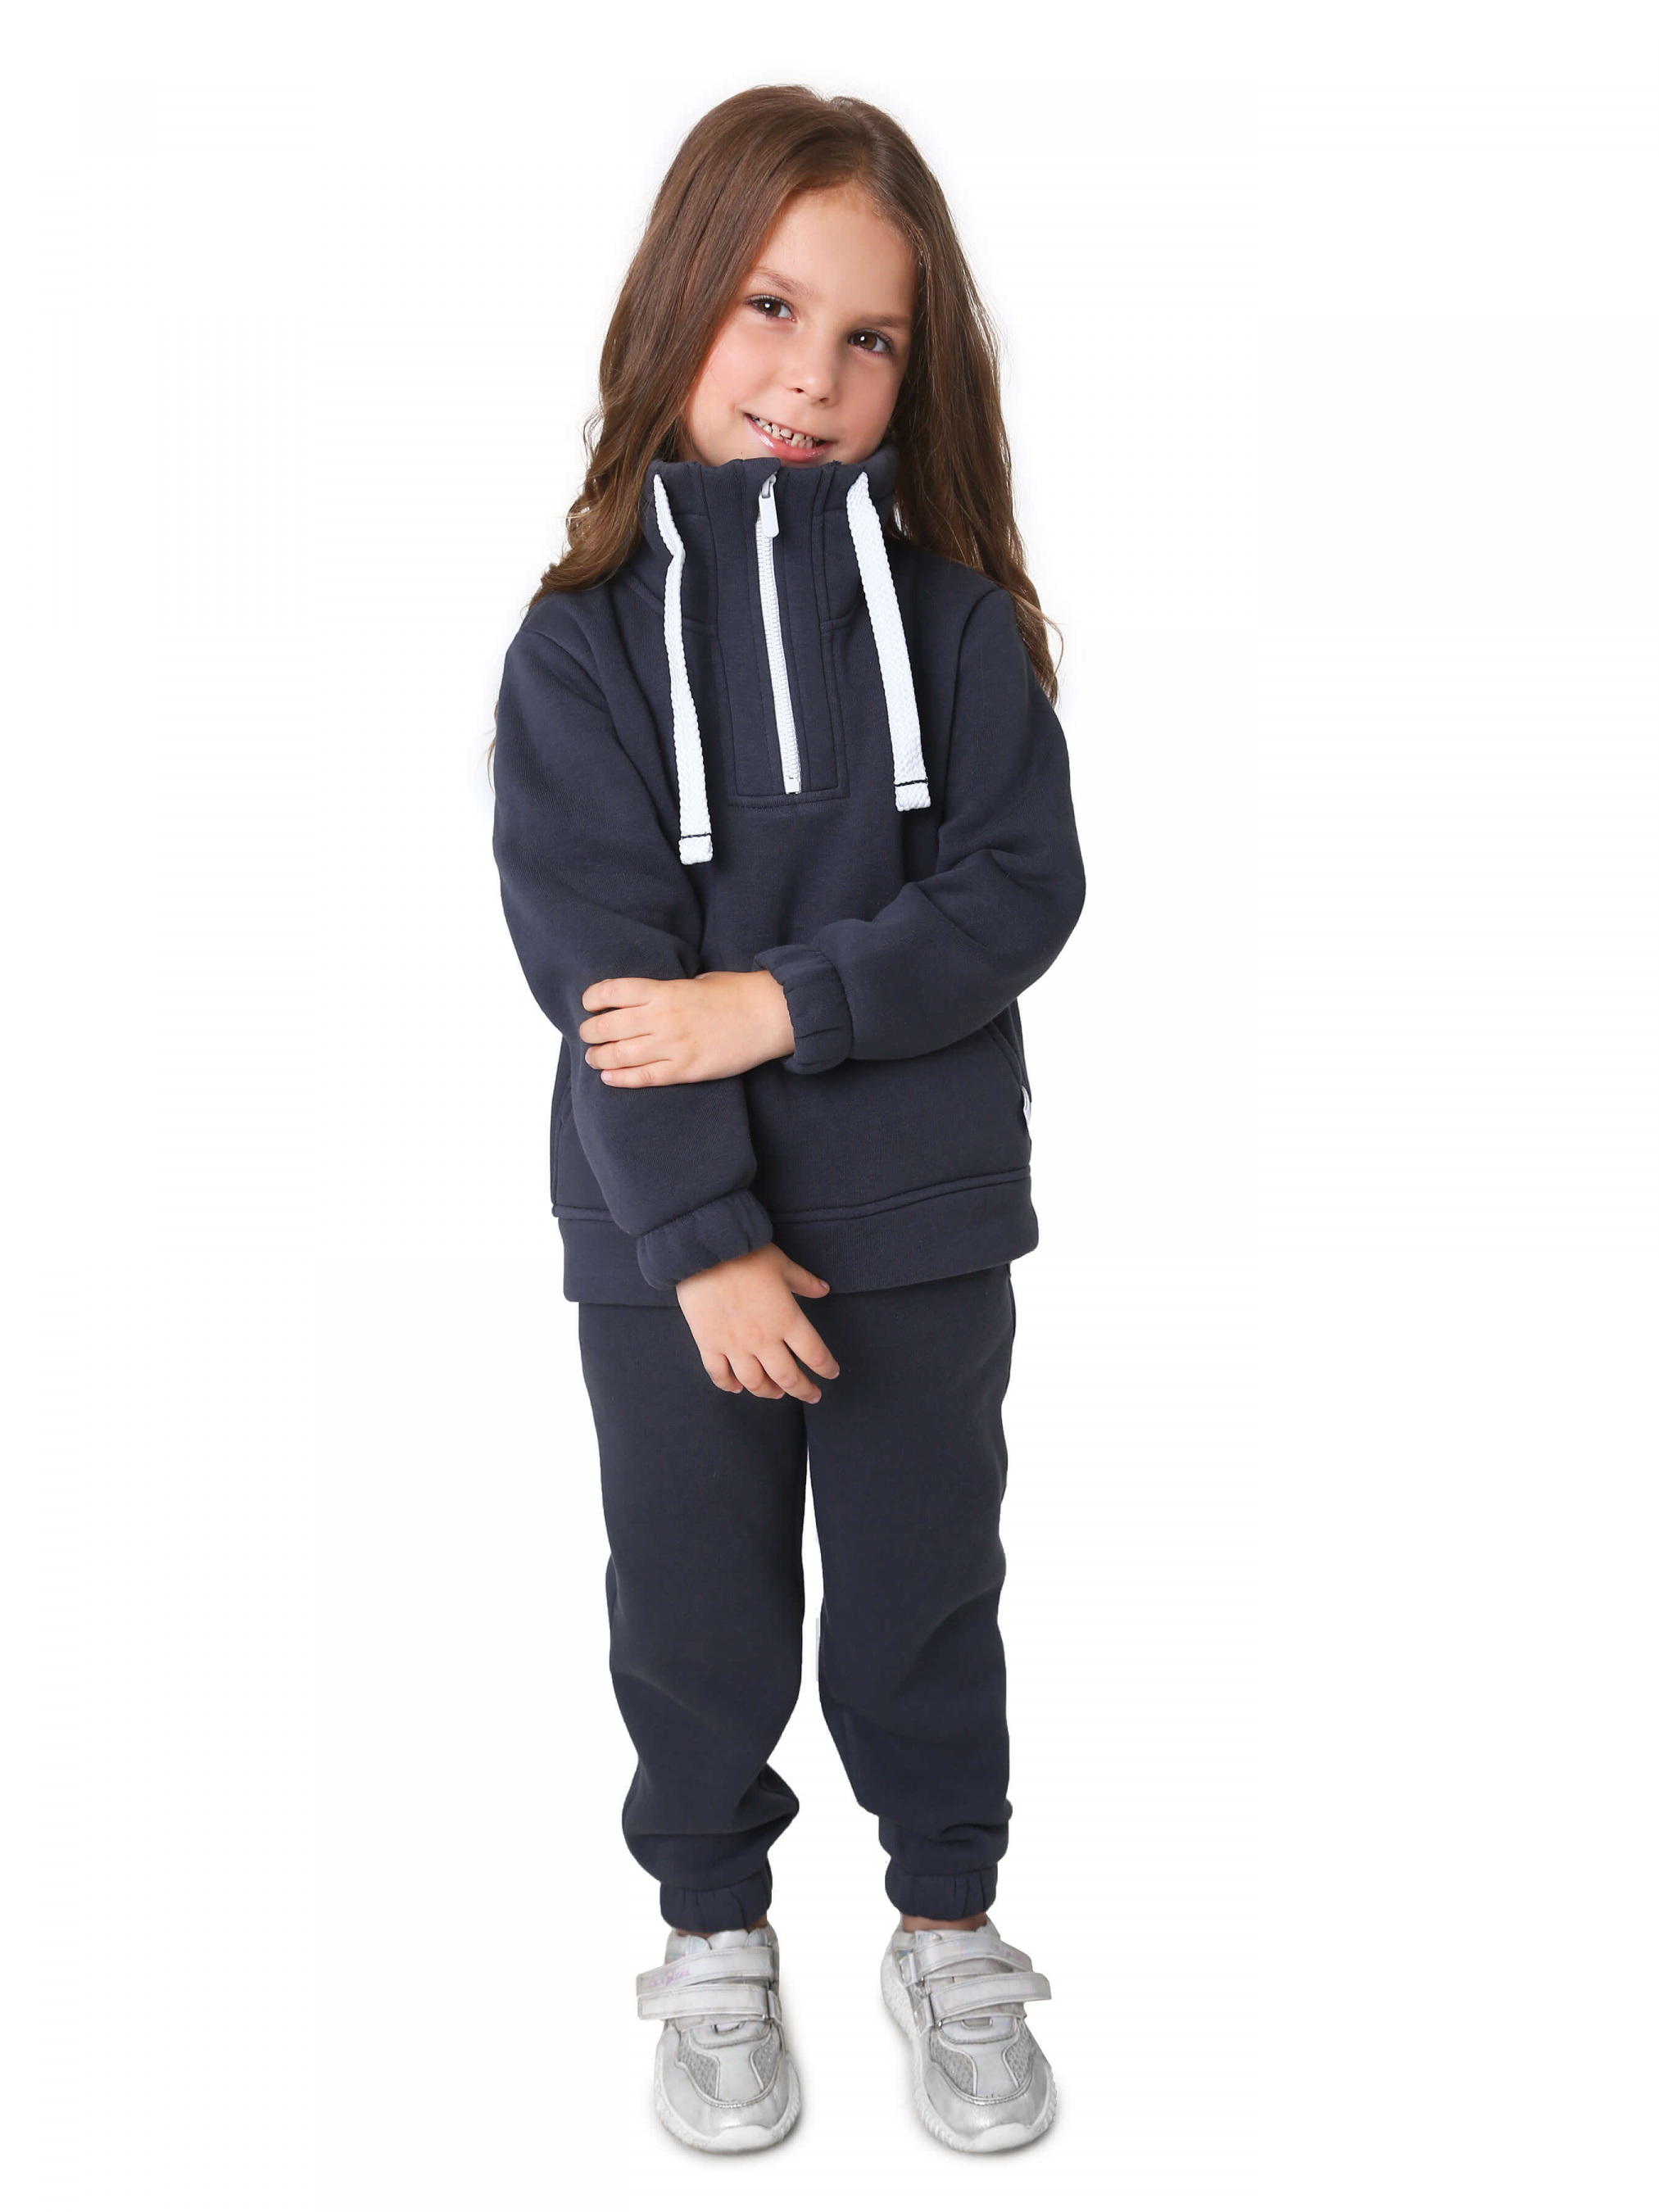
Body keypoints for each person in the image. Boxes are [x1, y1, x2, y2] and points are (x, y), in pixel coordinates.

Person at [488, 84, 1086, 2155]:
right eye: (767, 306)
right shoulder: (577, 652)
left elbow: (1017, 894)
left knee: (923, 1595)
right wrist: (705, 1243)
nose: (810, 376)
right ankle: (714, 1933)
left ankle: (946, 1923)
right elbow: (598, 982)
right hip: (672, 1260)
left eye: (868, 338)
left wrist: (776, 1002)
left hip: (923, 1227)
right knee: (691, 1605)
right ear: (678, 300)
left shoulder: (958, 627)